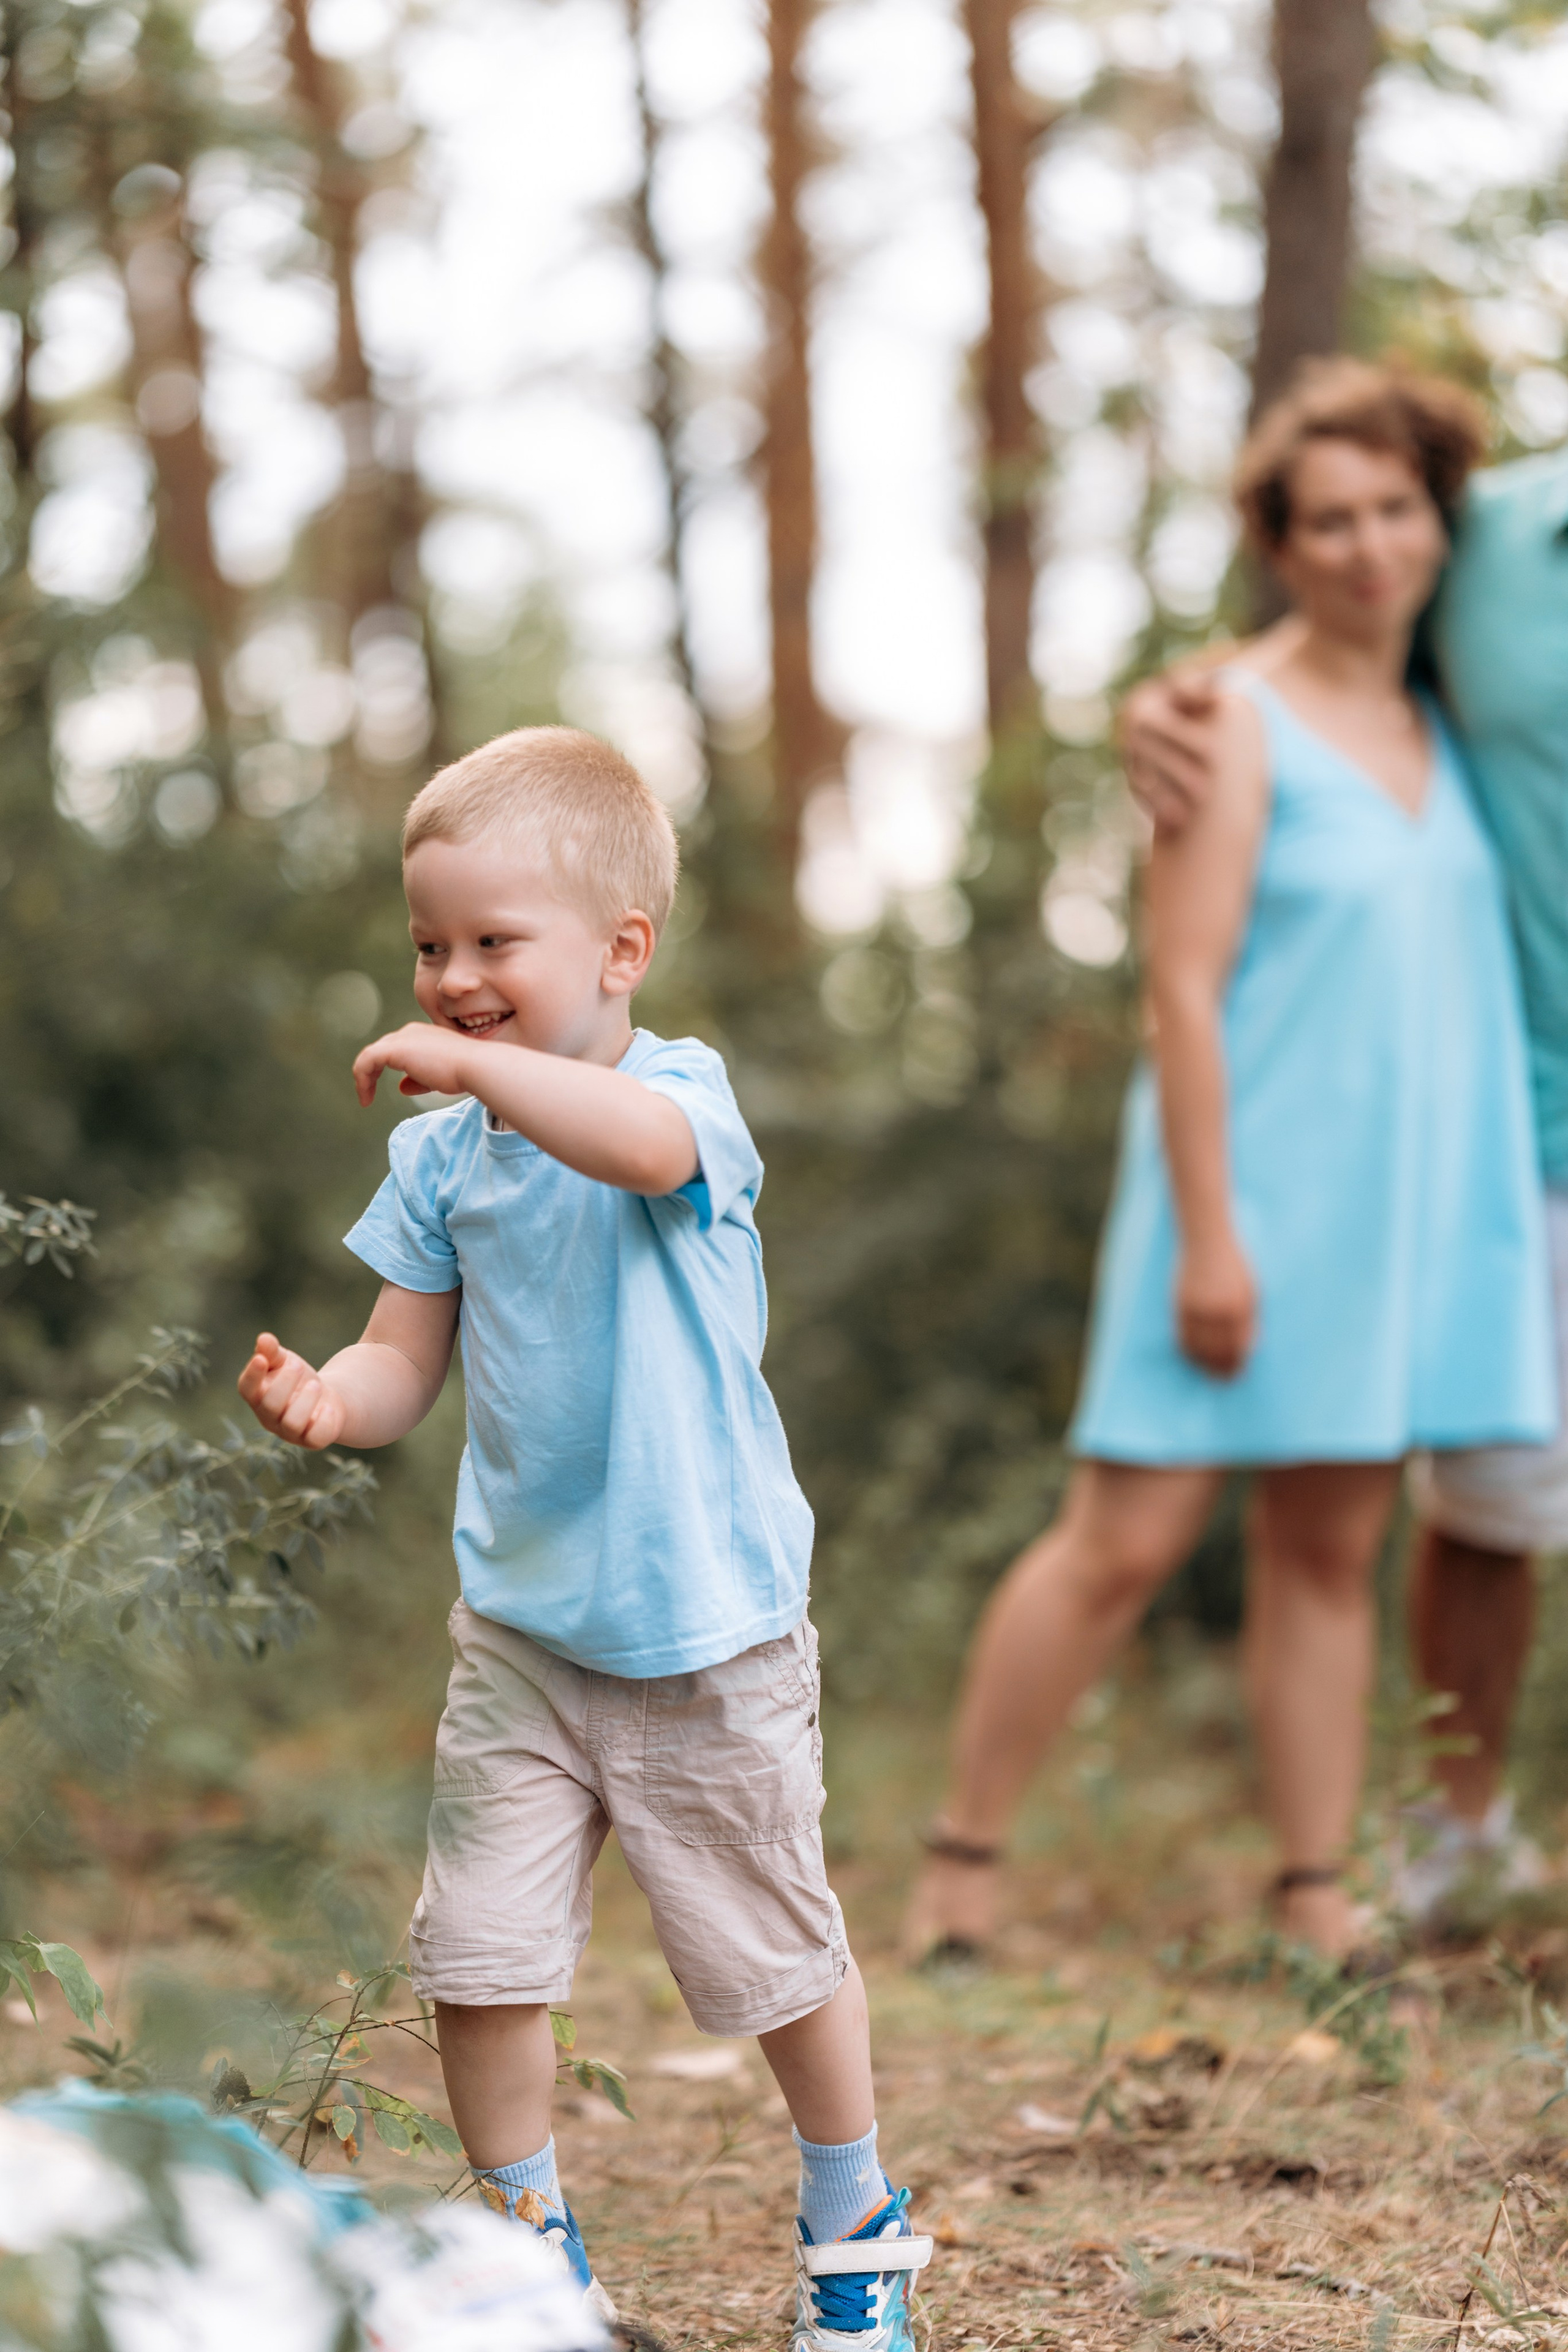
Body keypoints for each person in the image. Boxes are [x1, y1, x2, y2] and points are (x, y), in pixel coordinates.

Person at [236, 728, 932, 2352]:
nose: (456, 981)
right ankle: (521, 2250)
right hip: (525, 1636)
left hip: (707, 1632)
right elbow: (408, 1351)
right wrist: (339, 1401)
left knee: (770, 1954)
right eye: (430, 947)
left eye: (496, 946)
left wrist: (486, 1069)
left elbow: (638, 1157)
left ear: (622, 951)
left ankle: (856, 2217)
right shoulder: (440, 1159)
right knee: (478, 1955)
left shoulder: (679, 1098)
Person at [905, 359, 1556, 1966]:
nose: (1367, 545)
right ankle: (957, 1874)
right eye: (1327, 519)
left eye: (1395, 510)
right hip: (1240, 1207)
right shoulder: (1227, 724)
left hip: (1381, 1222)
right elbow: (1180, 992)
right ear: (1279, 544)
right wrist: (1209, 1238)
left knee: (1328, 1554)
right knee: (1120, 1541)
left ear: (1433, 527)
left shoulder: (1443, 725)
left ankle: (1316, 1890)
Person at [1123, 421, 1568, 1924]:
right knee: (1495, 1508)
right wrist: (1172, 701)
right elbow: (1314, 645)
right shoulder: (1485, 535)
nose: (1375, 539)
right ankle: (1453, 1834)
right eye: (1347, 520)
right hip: (1521, 1133)